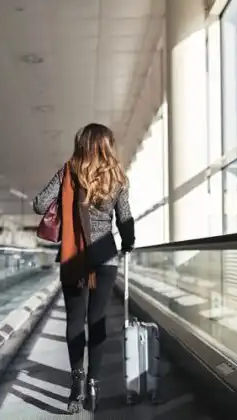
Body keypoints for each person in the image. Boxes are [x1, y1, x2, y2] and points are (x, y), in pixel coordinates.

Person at [33, 123, 135, 413]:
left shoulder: (69, 170)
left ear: (82, 143)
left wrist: (64, 202)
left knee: (76, 320)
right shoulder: (117, 177)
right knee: (97, 320)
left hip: (74, 257)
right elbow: (125, 218)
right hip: (105, 258)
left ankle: (76, 384)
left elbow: (40, 205)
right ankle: (94, 384)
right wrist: (128, 243)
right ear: (107, 145)